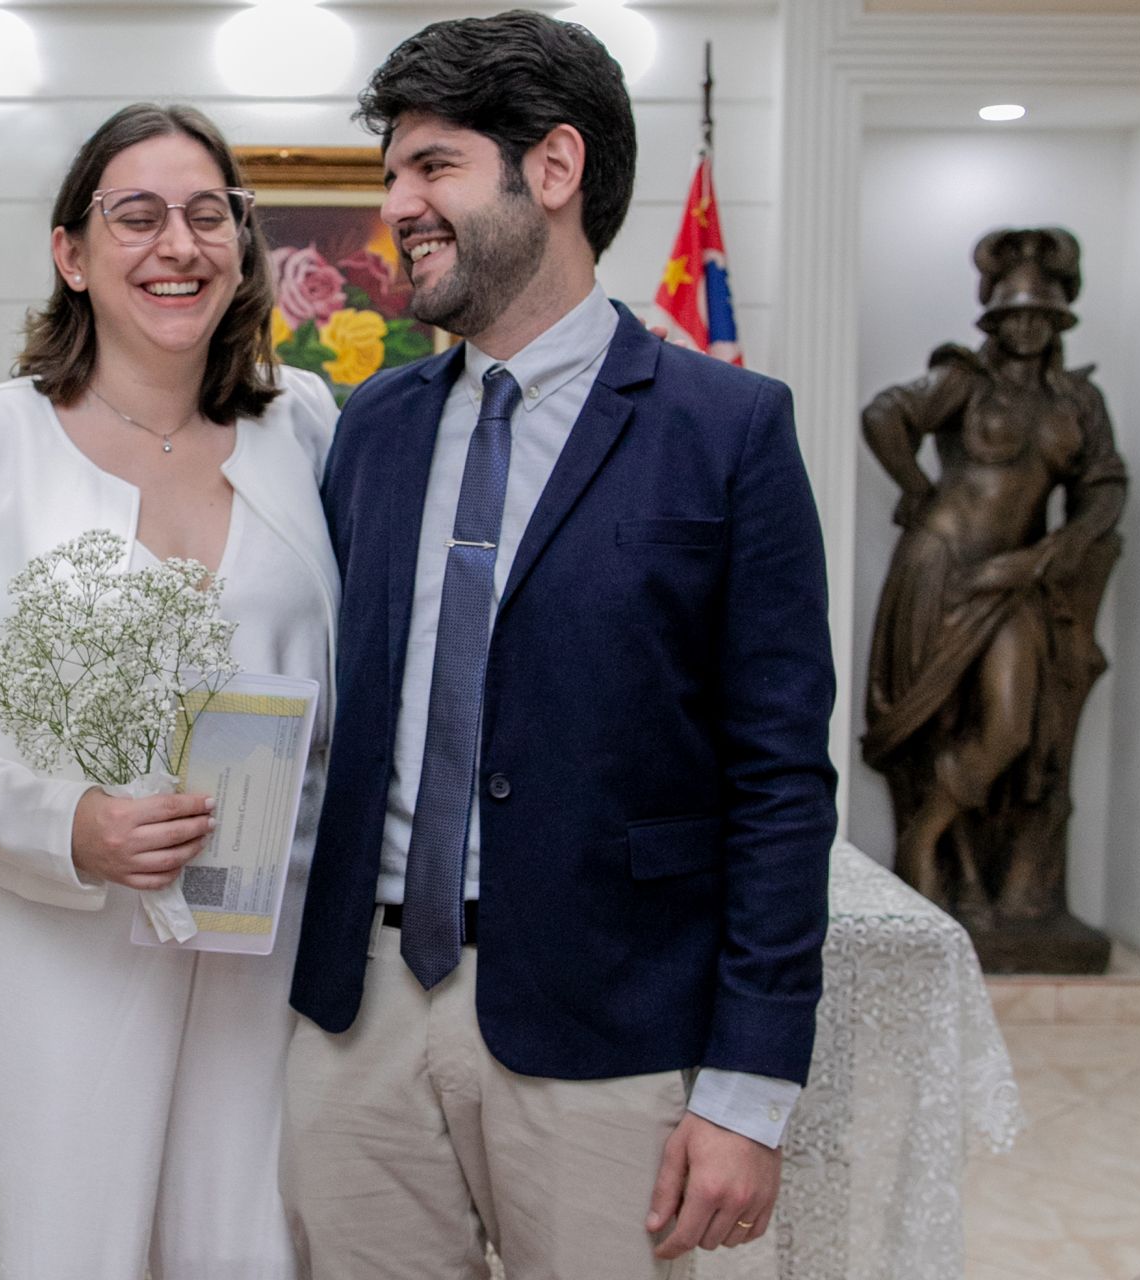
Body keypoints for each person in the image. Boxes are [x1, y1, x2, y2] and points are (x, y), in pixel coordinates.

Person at [282, 12, 837, 1277]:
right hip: (356, 1015)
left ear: (554, 168)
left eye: (432, 167)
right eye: (389, 179)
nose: (399, 207)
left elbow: (779, 780)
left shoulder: (727, 429)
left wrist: (748, 1085)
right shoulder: (372, 427)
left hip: (606, 1028)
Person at [0, 103, 339, 1280]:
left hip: (267, 952)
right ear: (72, 253)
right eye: (137, 214)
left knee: (248, 1234)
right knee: (64, 1236)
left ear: (240, 242)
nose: (177, 243)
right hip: (67, 945)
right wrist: (63, 822)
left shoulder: (310, 428)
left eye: (207, 213)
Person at [861, 227, 1124, 923]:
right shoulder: (963, 381)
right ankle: (942, 866)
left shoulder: (1077, 403)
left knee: (1011, 727)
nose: (1029, 327)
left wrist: (1053, 550)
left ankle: (930, 833)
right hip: (939, 568)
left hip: (1014, 581)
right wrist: (917, 489)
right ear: (996, 323)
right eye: (1015, 317)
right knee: (938, 723)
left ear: (1059, 320)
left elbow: (1105, 489)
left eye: (1042, 315)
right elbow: (886, 413)